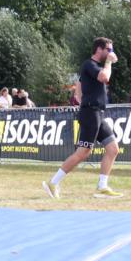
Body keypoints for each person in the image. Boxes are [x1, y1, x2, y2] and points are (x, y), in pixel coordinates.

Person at [43, 37, 123, 200]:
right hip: (91, 113)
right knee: (83, 152)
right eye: (109, 50)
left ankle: (102, 186)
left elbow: (79, 87)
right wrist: (109, 63)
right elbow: (104, 78)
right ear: (99, 49)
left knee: (113, 149)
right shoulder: (90, 64)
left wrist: (81, 100)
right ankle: (53, 182)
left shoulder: (91, 68)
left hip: (97, 113)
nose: (111, 53)